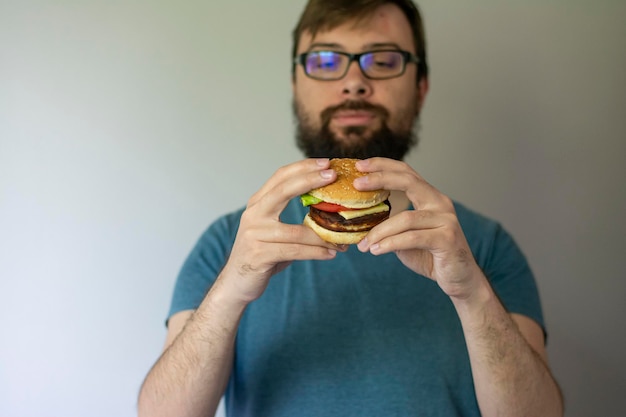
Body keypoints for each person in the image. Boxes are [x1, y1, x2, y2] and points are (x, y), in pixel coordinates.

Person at [138, 1, 564, 416]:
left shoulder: (484, 247)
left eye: (383, 60)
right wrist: (230, 290)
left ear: (421, 87)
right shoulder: (227, 245)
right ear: (295, 85)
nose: (354, 83)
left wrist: (472, 294)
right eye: (325, 61)